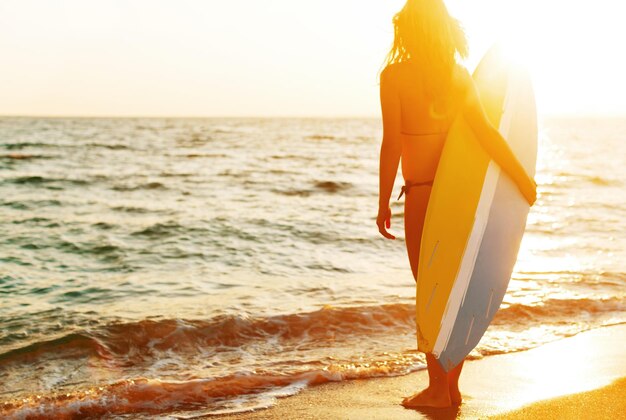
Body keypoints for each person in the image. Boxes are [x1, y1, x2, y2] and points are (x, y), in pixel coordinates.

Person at [375, 0, 537, 409]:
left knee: (430, 292)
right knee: (454, 289)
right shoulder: (458, 76)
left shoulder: (393, 77)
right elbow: (486, 134)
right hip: (456, 198)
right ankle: (450, 387)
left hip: (422, 194)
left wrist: (382, 203)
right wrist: (521, 177)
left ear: (408, 29)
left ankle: (437, 390)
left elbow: (392, 144)